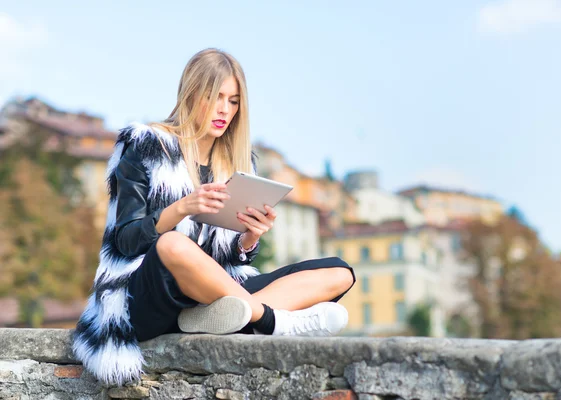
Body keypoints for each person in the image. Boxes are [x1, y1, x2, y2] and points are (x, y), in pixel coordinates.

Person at [72, 48, 355, 386]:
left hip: (212, 292)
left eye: (233, 101)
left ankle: (222, 315)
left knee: (339, 272)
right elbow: (126, 241)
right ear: (192, 94)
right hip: (144, 296)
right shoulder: (146, 146)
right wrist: (182, 207)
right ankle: (269, 320)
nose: (224, 110)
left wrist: (249, 239)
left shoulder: (238, 164)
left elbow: (228, 259)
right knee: (174, 245)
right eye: (215, 96)